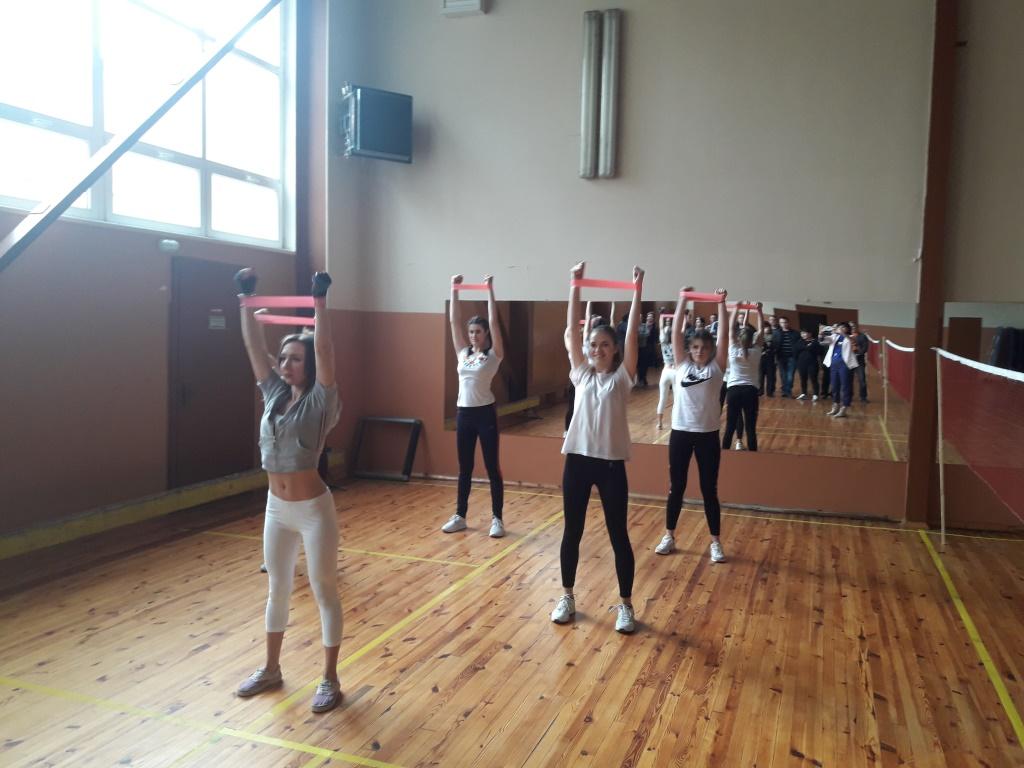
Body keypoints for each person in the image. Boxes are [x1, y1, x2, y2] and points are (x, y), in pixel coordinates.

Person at [234, 268, 344, 714]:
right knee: (277, 588)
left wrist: (320, 303)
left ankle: (330, 677)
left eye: (295, 359)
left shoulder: (321, 400)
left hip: (313, 510)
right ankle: (271, 669)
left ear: (309, 365)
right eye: (283, 358)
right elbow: (252, 348)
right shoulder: (275, 394)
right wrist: (245, 300)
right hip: (276, 508)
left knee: (323, 590)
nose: (285, 364)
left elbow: (326, 348)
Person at [551, 262, 641, 634]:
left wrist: (637, 291)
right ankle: (567, 597)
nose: (597, 349)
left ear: (615, 349)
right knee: (571, 531)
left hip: (610, 466)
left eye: (604, 344)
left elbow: (632, 333)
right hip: (577, 462)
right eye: (593, 345)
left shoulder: (622, 378)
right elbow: (572, 330)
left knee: (619, 535)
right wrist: (575, 283)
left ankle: (626, 605)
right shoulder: (581, 374)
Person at [656, 285, 729, 564]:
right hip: (681, 434)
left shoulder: (716, 368)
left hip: (708, 435)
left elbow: (724, 335)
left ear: (711, 350)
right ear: (689, 349)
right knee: (676, 487)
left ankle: (715, 543)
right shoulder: (682, 365)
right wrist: (682, 300)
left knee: (709, 490)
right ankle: (669, 536)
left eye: (704, 347)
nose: (699, 351)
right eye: (695, 347)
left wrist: (721, 303)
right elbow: (676, 332)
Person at [442, 275, 505, 537]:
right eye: (471, 332)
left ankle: (497, 519)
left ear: (486, 333)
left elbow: (494, 320)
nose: (473, 336)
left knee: (492, 468)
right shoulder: (463, 353)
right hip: (464, 415)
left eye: (478, 331)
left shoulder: (494, 355)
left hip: (485, 414)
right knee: (464, 468)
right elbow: (453, 321)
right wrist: (454, 289)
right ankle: (460, 515)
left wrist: (490, 290)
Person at [722, 302, 762, 451]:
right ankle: (753, 457)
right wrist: (759, 310)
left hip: (733, 391)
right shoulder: (756, 351)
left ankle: (724, 454)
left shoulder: (733, 349)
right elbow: (761, 330)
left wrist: (736, 308)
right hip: (750, 392)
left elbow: (731, 328)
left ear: (739, 338)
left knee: (730, 427)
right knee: (750, 428)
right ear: (752, 339)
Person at [822, 322, 859, 418]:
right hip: (834, 365)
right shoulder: (834, 336)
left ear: (847, 329)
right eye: (839, 327)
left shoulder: (851, 337)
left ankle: (844, 408)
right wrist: (821, 333)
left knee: (846, 386)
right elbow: (823, 341)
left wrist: (842, 333)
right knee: (834, 386)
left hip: (845, 365)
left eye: (843, 327)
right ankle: (835, 405)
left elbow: (852, 342)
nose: (840, 328)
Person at [656, 316, 675, 430]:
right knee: (676, 399)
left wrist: (661, 316)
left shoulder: (663, 342)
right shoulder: (676, 344)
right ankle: (674, 423)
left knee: (662, 399)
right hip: (675, 371)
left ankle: (659, 423)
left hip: (665, 371)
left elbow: (661, 327)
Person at [773, 316, 800, 398]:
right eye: (781, 322)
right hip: (781, 357)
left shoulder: (795, 333)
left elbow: (798, 344)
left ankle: (788, 391)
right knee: (783, 375)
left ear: (788, 323)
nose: (783, 324)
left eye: (785, 322)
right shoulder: (776, 333)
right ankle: (785, 390)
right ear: (779, 323)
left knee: (790, 375)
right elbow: (774, 344)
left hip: (792, 357)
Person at [795, 329, 822, 401]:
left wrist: (808, 347)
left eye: (805, 333)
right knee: (803, 379)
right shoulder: (799, 341)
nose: (803, 335)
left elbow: (819, 351)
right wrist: (807, 347)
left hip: (812, 363)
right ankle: (804, 393)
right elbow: (796, 350)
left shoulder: (815, 342)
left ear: (810, 334)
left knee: (813, 378)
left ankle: (815, 394)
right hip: (801, 363)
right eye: (802, 333)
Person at [849, 322, 869, 403]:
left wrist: (858, 352)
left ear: (857, 327)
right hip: (849, 361)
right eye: (851, 327)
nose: (852, 328)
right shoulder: (846, 336)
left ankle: (863, 397)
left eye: (854, 326)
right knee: (849, 380)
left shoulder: (863, 336)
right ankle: (849, 396)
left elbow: (865, 348)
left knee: (862, 380)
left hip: (859, 362)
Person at [759, 323, 777, 397]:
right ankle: (760, 391)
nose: (767, 329)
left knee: (771, 376)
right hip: (761, 359)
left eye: (768, 327)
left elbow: (776, 347)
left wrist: (770, 350)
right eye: (765, 327)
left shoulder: (773, 337)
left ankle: (770, 392)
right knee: (760, 376)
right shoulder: (759, 336)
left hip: (770, 359)